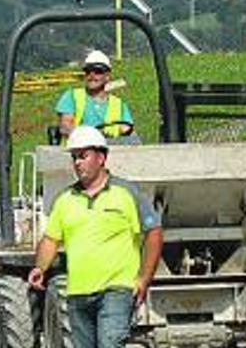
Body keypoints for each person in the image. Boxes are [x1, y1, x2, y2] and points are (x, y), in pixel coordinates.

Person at [27, 126, 163, 348]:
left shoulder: (126, 193)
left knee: (110, 343)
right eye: (74, 157)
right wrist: (40, 268)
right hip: (78, 293)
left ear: (101, 158)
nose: (77, 163)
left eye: (83, 156)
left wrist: (144, 278)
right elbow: (51, 240)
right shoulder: (65, 200)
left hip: (117, 290)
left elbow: (154, 233)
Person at [55, 50, 134, 140]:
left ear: (107, 76)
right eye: (88, 71)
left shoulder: (119, 105)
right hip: (77, 151)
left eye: (98, 71)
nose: (92, 75)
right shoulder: (71, 96)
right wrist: (91, 138)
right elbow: (65, 127)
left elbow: (127, 130)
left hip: (112, 151)